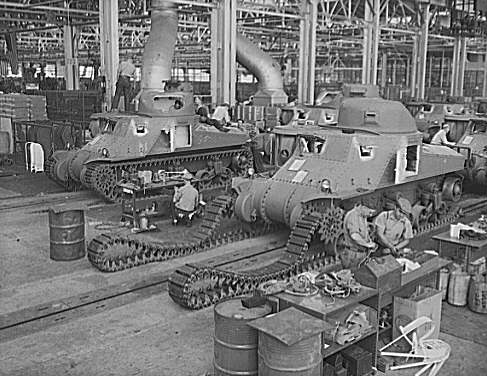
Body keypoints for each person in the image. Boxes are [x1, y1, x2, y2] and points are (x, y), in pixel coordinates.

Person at [340, 204, 377, 269]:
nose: (370, 215)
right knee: (352, 275)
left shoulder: (363, 215)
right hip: (353, 255)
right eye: (370, 212)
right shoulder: (353, 216)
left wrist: (369, 241)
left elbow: (364, 233)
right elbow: (354, 236)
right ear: (364, 207)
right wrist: (368, 244)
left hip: (361, 254)